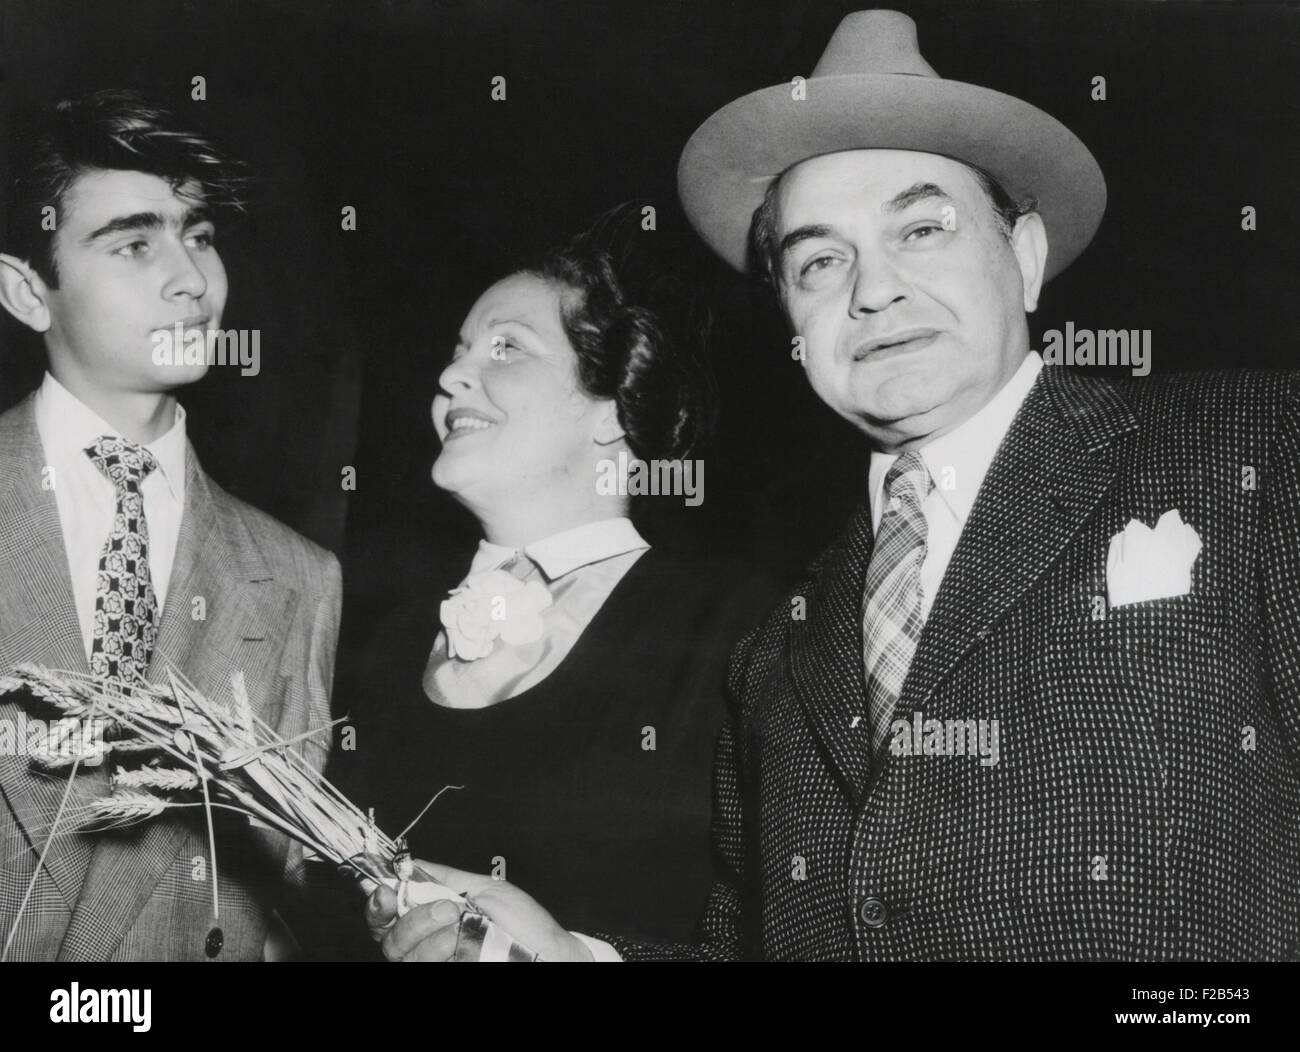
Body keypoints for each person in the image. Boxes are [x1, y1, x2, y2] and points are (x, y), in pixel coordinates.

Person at [369, 10, 1300, 961]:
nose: (872, 289)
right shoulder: (778, 648)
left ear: (1022, 257)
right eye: (820, 260)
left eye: (922, 227)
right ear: (790, 319)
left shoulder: (1253, 449)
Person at [335, 212, 777, 955]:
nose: (450, 377)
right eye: (458, 352)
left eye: (508, 348)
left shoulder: (739, 627)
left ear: (613, 410)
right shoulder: (389, 637)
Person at [0, 90, 341, 960]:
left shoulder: (298, 577)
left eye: (198, 236)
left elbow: (280, 912)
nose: (190, 278)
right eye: (134, 243)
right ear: (27, 291)